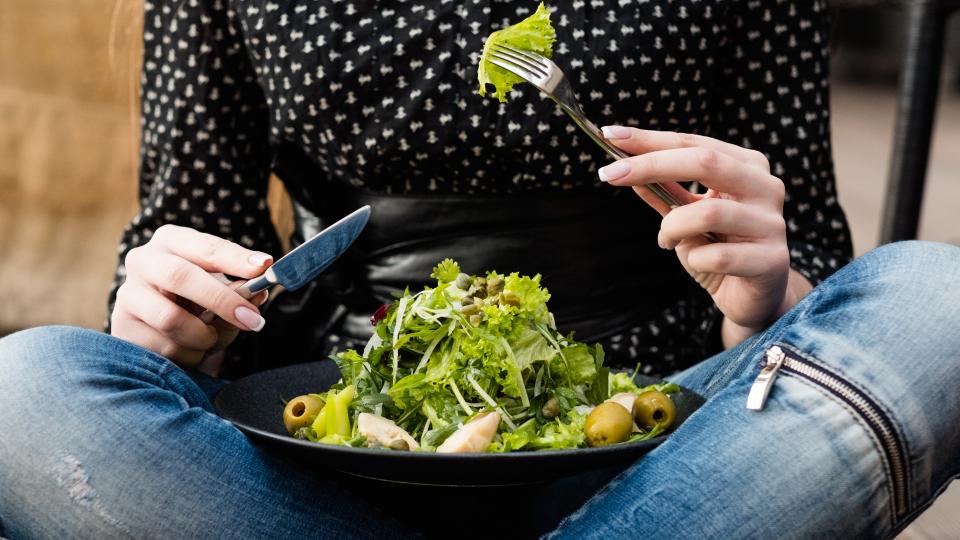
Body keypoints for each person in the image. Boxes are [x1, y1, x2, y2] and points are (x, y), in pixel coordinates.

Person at [1, 1, 957, 538]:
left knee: (935, 301)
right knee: (26, 388)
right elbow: (185, 252)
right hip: (319, 462)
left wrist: (765, 302)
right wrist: (167, 313)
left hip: (668, 450)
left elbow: (819, 281)